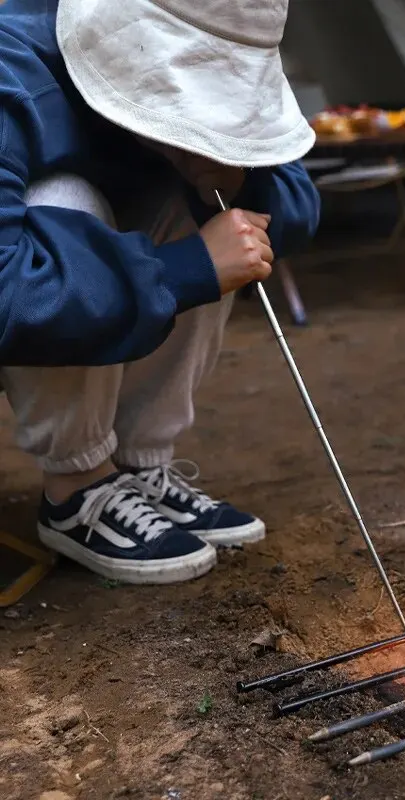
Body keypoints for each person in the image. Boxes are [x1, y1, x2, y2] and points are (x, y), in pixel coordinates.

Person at [0, 0, 320, 584]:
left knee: (209, 208)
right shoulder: (10, 67)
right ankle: (77, 484)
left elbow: (299, 205)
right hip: (23, 266)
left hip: (87, 271)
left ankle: (137, 464)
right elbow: (6, 290)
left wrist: (233, 172)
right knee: (64, 202)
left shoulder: (228, 20)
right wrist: (186, 269)